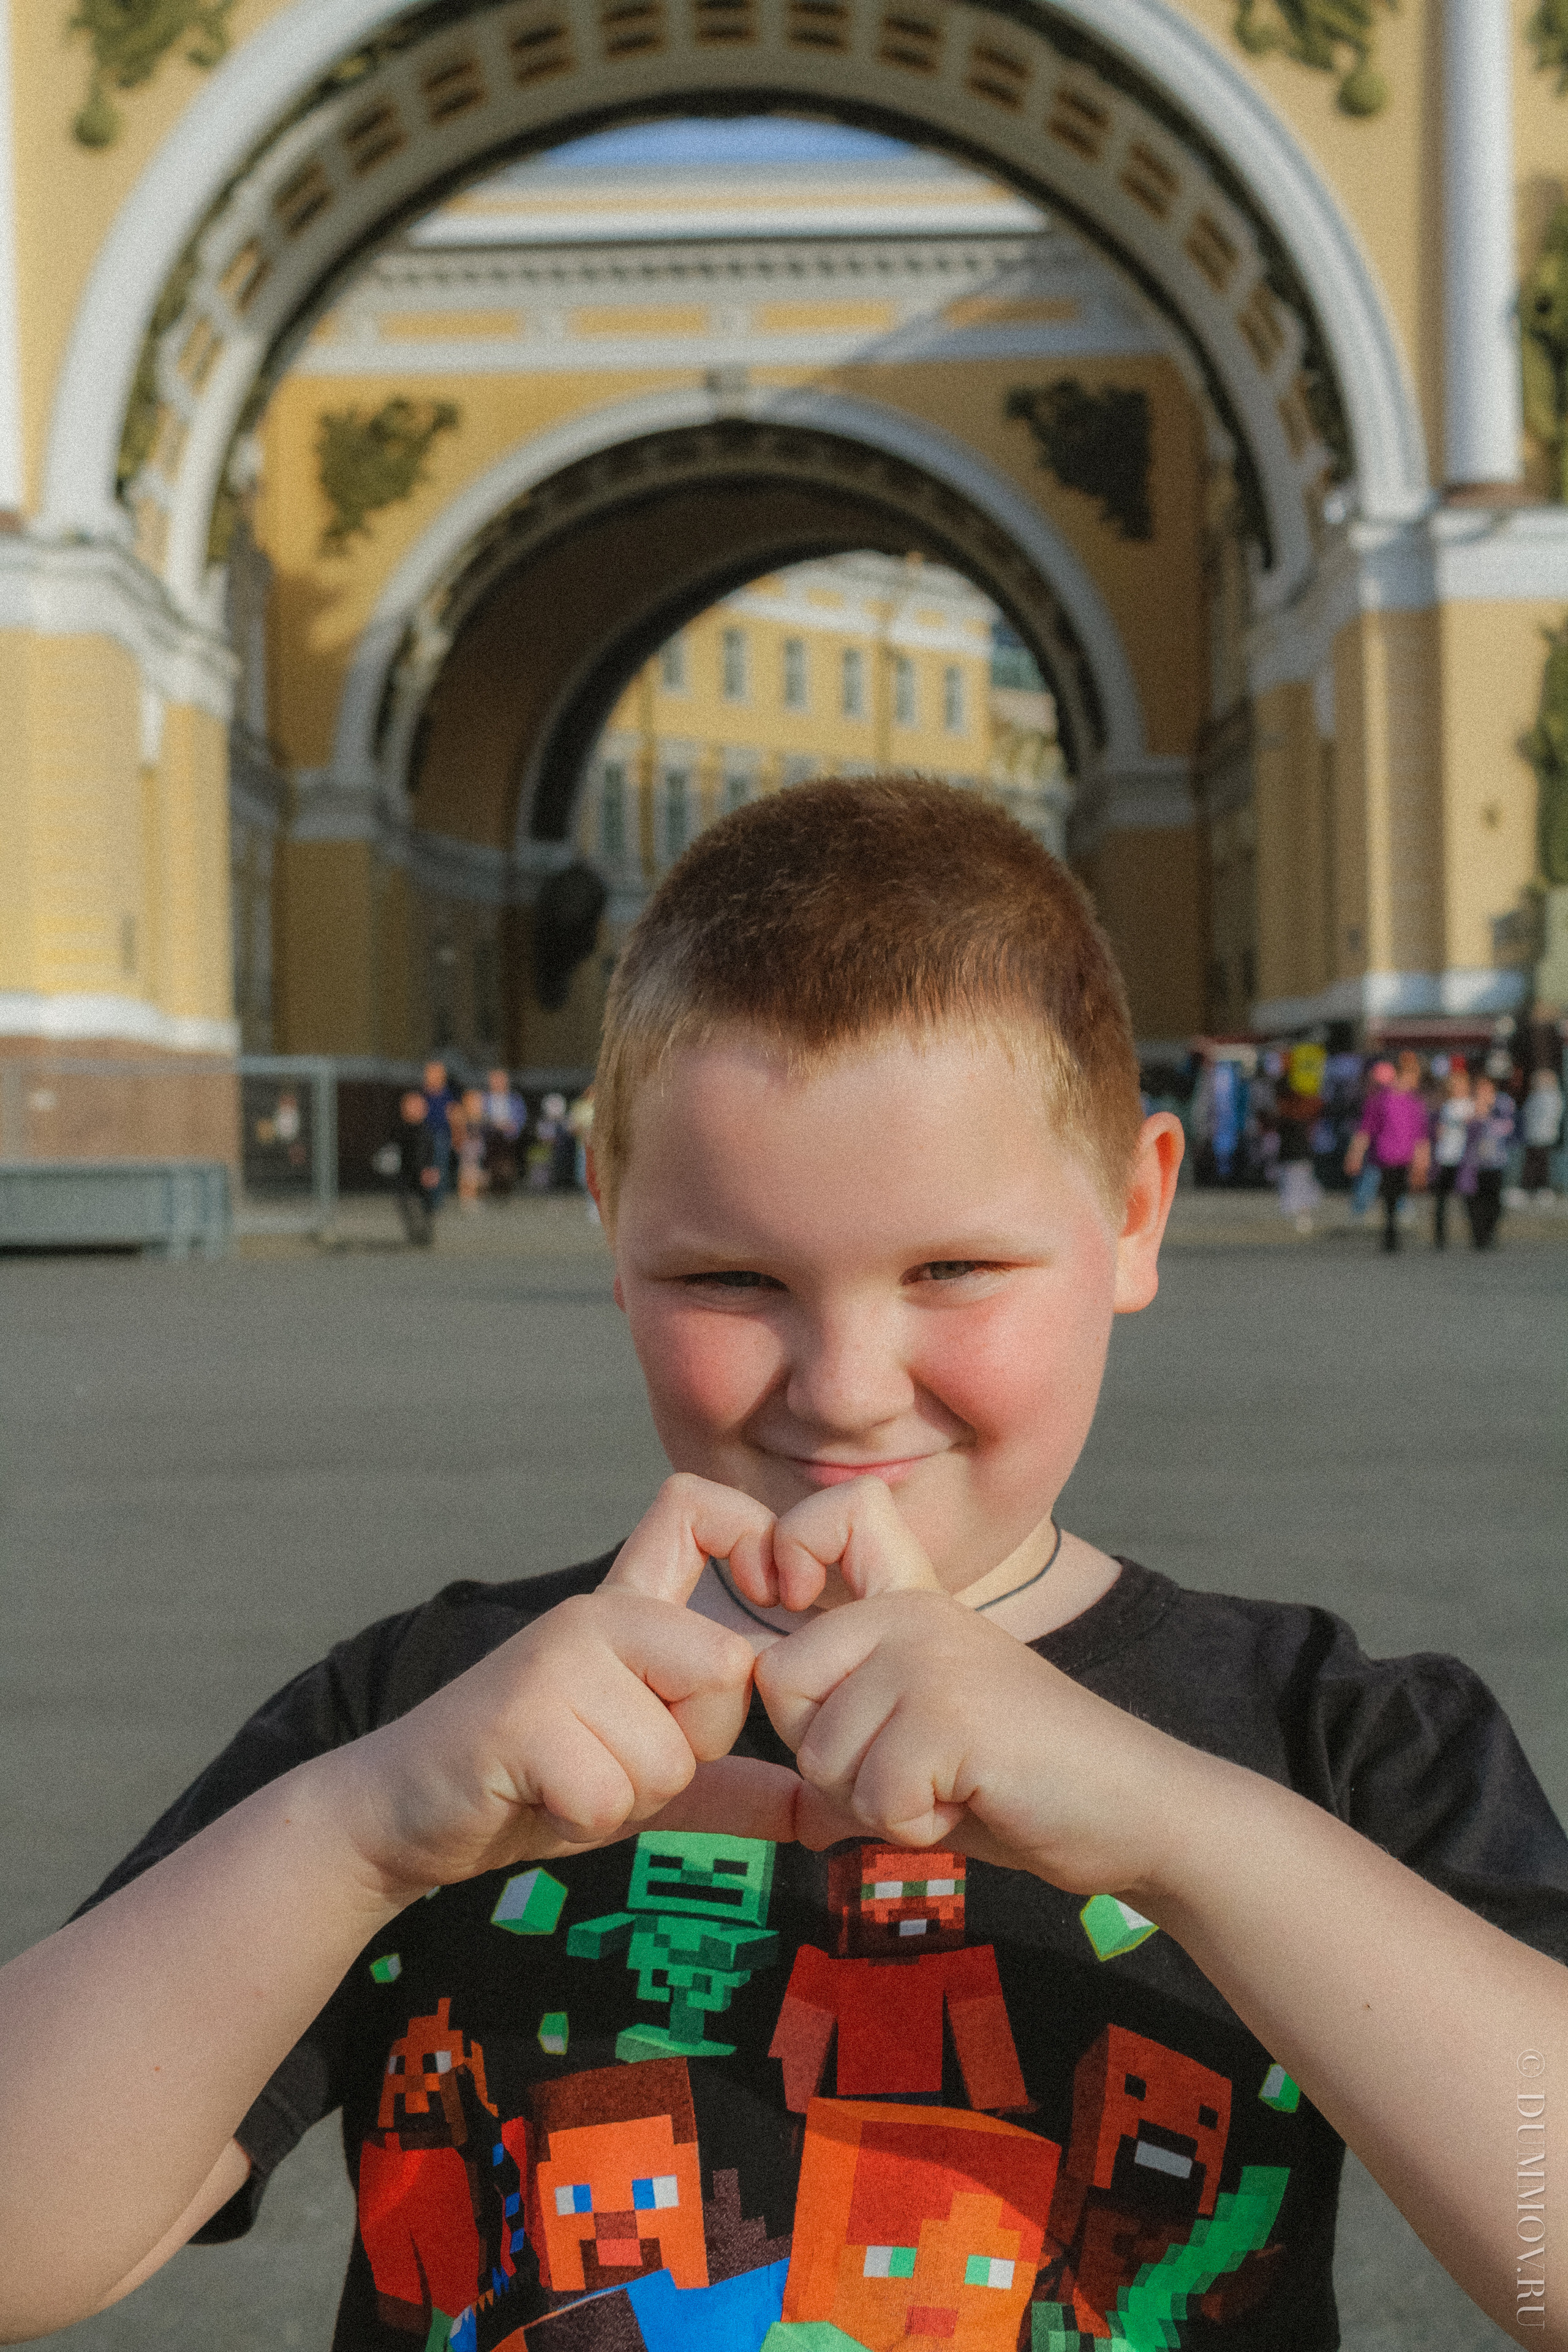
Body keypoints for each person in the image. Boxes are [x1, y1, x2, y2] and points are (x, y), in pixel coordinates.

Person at [1, 779, 1563, 2352]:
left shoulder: (1334, 1742)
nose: (845, 1380)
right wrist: (355, 1837)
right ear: (611, 1227)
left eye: (949, 1268)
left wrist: (1183, 1831)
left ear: (1134, 1208)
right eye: (732, 1275)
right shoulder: (424, 1721)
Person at [1344, 1050, 1429, 1253]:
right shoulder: (1380, 1100)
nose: (1416, 1080)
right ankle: (1389, 1232)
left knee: (1397, 1194)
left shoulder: (1415, 1103)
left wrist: (1422, 1163)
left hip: (1405, 1158)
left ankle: (1391, 1230)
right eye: (1414, 1075)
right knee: (1388, 1195)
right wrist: (1355, 1155)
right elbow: (1365, 1130)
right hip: (1384, 1156)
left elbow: (1421, 1137)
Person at [1458, 1072, 1515, 1250]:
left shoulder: (1502, 1105)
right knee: (1474, 1202)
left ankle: (1490, 1233)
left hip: (1495, 1163)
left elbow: (1508, 1128)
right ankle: (1478, 1236)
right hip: (1473, 1165)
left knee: (1493, 1202)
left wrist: (1487, 1115)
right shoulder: (1468, 1106)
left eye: (1487, 1088)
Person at [1428, 1062, 1474, 1251]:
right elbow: (1437, 1132)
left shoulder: (1472, 1105)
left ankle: (1475, 1234)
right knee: (1441, 1200)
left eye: (1461, 1084)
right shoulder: (1445, 1106)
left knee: (1468, 1199)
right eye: (1454, 1085)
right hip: (1445, 1156)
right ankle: (1440, 1238)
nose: (1457, 1088)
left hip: (1464, 1159)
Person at [391, 1088, 440, 1247]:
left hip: (421, 1177)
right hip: (405, 1180)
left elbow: (427, 1155)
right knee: (408, 1206)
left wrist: (428, 1170)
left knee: (422, 1206)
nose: (414, 1110)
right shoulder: (400, 1130)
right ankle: (416, 1236)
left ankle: (424, 1236)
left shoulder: (425, 1131)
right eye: (410, 1106)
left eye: (418, 1106)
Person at [1521, 1065, 1565, 1201]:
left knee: (1540, 1163)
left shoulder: (1549, 1097)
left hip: (1542, 1135)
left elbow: (1535, 1114)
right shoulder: (1546, 1096)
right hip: (1536, 1134)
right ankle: (1533, 1188)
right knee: (1536, 1162)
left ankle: (1539, 1188)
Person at [481, 1068, 526, 1200]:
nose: (498, 1083)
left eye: (501, 1080)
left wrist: (511, 1127)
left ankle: (506, 1189)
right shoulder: (483, 1099)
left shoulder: (515, 1099)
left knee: (507, 1164)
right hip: (490, 1137)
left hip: (509, 1138)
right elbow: (479, 1117)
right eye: (495, 1080)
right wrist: (494, 1124)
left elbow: (521, 1118)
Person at [421, 1058, 456, 1201]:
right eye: (431, 1073)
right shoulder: (422, 1094)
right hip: (423, 1135)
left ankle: (437, 1198)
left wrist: (456, 1134)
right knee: (425, 1165)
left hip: (441, 1135)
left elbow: (454, 1115)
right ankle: (425, 1196)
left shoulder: (448, 1095)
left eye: (437, 1074)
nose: (433, 1077)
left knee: (439, 1165)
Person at [455, 1087, 489, 1212]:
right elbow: (460, 1135)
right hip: (467, 1150)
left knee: (478, 1175)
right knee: (467, 1174)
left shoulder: (482, 1117)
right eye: (473, 1101)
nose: (476, 1104)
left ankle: (475, 1197)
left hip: (478, 1150)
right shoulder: (462, 1117)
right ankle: (466, 1199)